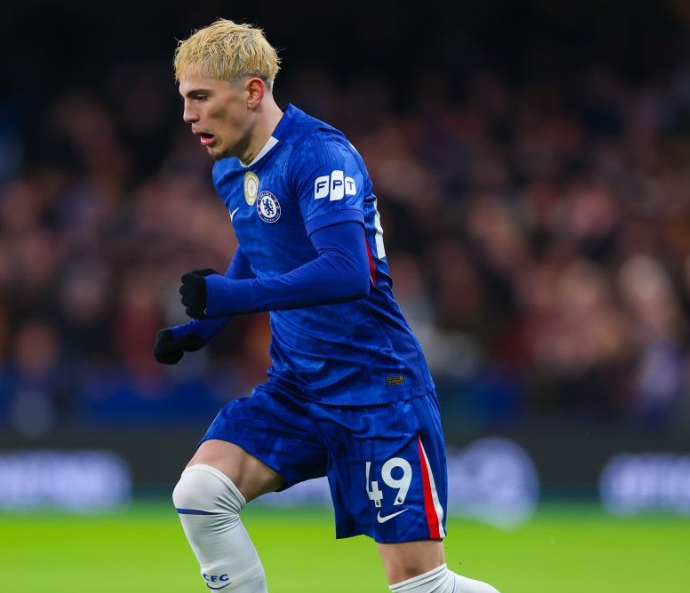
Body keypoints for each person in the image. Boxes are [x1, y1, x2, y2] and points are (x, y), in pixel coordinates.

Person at [154, 18, 501, 593]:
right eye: (185, 99)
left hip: (376, 389)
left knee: (421, 586)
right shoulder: (230, 169)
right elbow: (261, 244)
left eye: (201, 98)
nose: (189, 115)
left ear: (252, 91)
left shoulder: (320, 154)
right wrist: (206, 327)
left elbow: (347, 270)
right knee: (200, 492)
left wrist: (232, 296)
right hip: (298, 388)